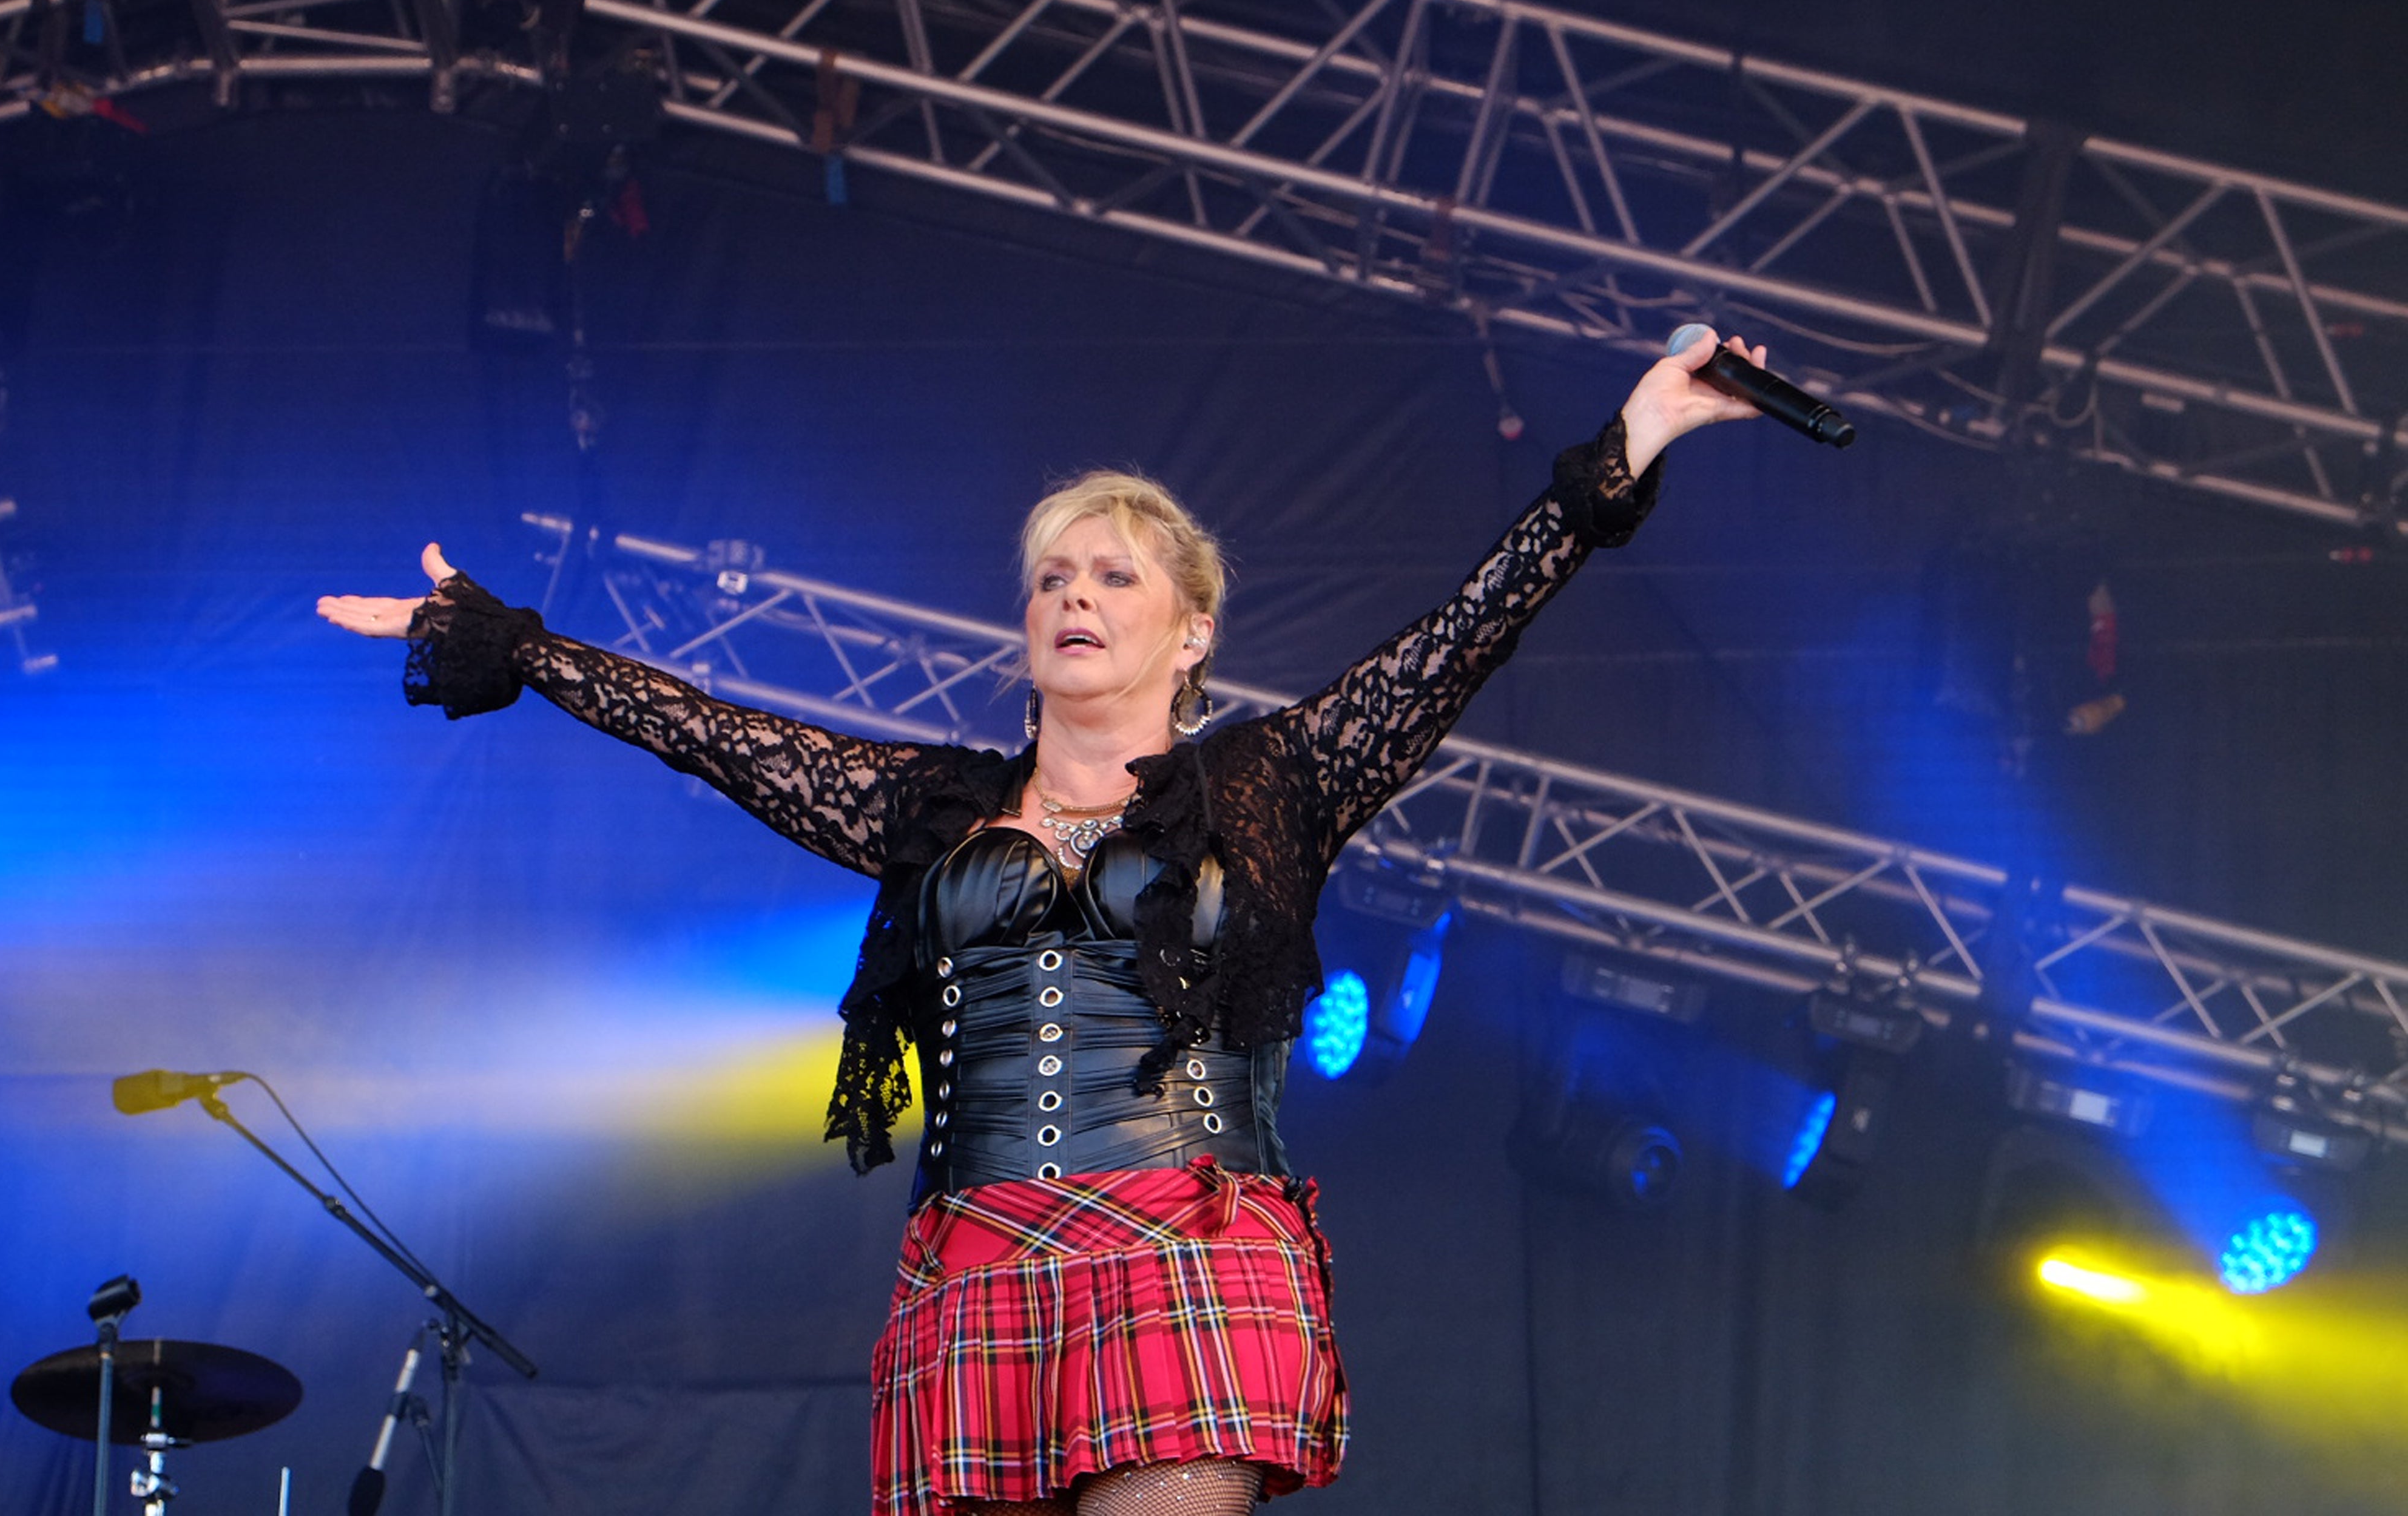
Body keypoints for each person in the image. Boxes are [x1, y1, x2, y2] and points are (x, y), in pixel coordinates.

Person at [319, 331, 1765, 1516]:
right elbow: (713, 733)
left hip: (1191, 1239)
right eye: (1051, 577)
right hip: (977, 1255)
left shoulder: (1271, 779)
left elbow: (1463, 635)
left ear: (1190, 630)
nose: (1072, 593)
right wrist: (519, 648)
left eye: (1113, 574)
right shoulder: (935, 806)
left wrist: (1623, 449)